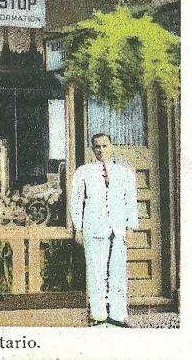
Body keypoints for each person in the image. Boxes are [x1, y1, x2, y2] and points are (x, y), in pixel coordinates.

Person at [70, 133, 139, 327]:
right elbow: (76, 202)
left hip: (118, 228)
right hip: (94, 227)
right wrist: (78, 228)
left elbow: (130, 201)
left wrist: (130, 227)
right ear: (92, 149)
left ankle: (118, 315)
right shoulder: (83, 172)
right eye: (97, 147)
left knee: (118, 271)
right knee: (95, 271)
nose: (101, 150)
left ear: (112, 146)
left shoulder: (124, 173)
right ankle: (99, 314)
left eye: (105, 145)